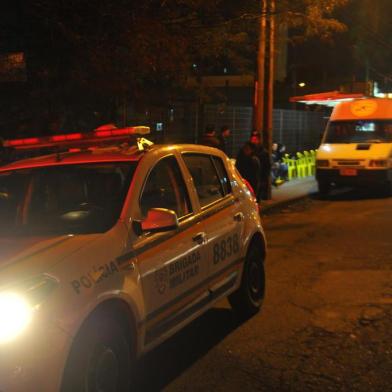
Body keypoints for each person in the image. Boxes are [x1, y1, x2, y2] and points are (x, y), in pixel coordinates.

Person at [250, 131, 271, 200]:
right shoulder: (248, 151)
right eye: (252, 139)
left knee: (257, 196)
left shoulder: (263, 152)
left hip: (259, 177)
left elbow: (267, 166)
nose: (253, 141)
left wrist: (265, 178)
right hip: (250, 177)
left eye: (255, 139)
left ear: (258, 140)